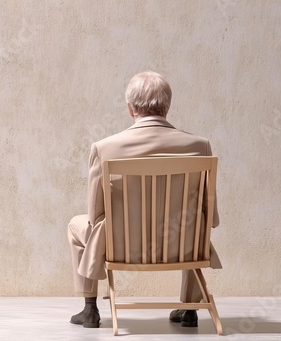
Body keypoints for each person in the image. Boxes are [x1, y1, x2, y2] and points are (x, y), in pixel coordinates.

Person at [67, 71, 221, 328]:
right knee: (195, 221)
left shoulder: (104, 148)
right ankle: (190, 308)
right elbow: (210, 213)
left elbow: (95, 215)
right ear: (168, 107)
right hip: (183, 245)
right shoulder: (199, 145)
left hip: (122, 247)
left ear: (130, 108)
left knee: (76, 225)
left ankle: (90, 308)